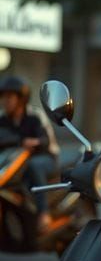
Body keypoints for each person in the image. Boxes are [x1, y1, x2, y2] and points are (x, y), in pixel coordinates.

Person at [0, 75, 59, 234]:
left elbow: (46, 140)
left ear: (21, 99)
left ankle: (43, 214)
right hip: (15, 162)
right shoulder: (2, 119)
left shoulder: (35, 116)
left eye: (9, 97)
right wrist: (20, 141)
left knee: (33, 166)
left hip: (46, 158)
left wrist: (36, 142)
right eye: (3, 97)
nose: (5, 101)